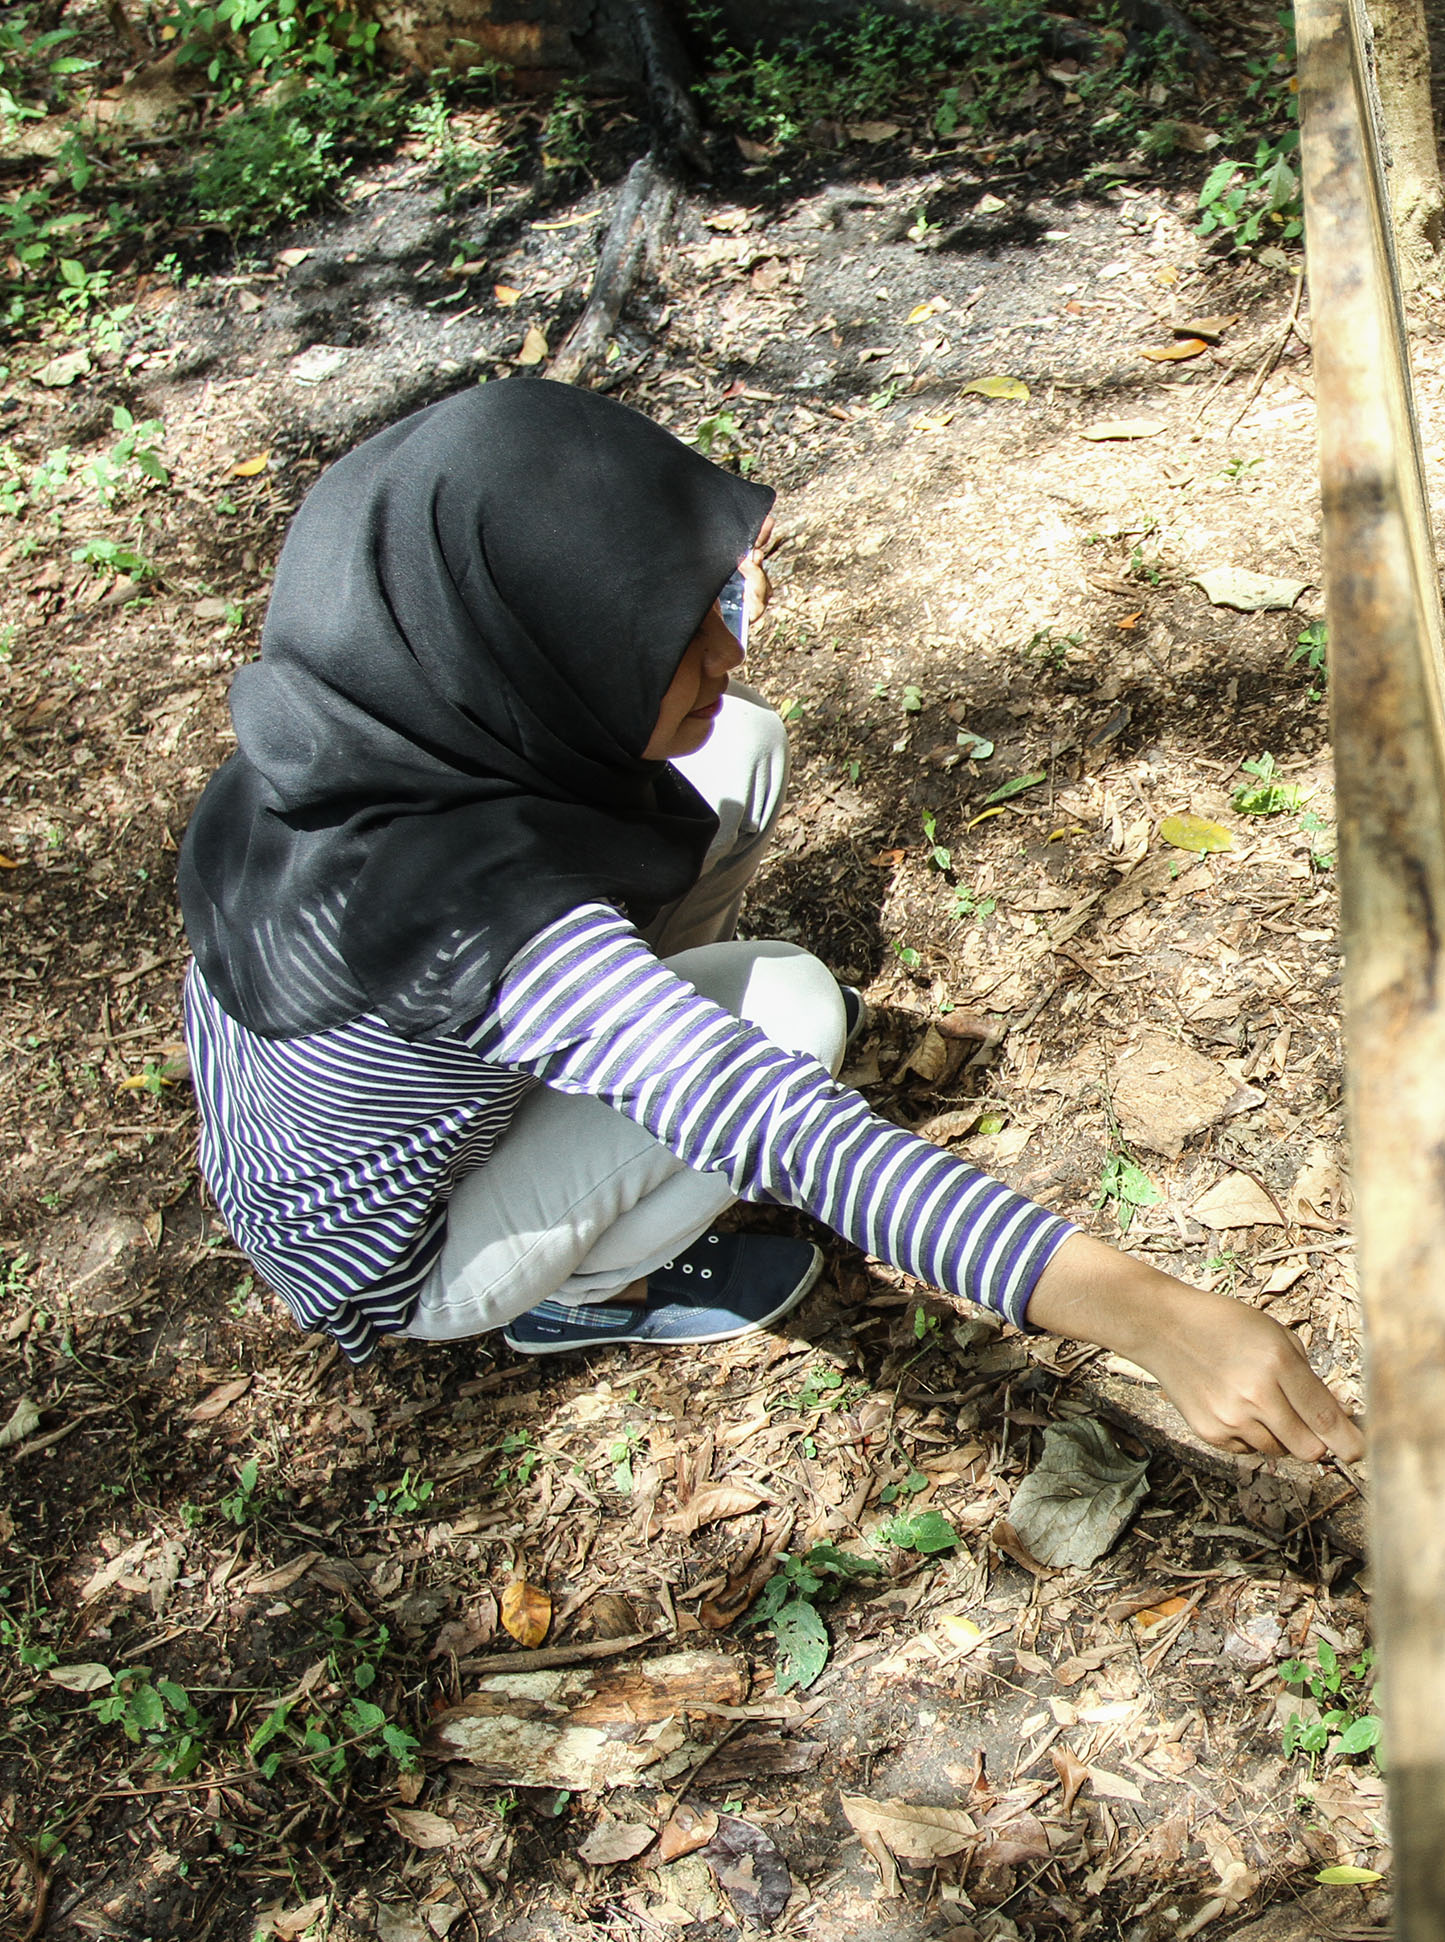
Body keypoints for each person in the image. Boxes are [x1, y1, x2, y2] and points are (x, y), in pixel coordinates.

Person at [175, 379, 1360, 1465]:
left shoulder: (367, 712)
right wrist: (1157, 1317)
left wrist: (684, 600)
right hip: (400, 1251)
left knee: (733, 742)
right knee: (787, 1011)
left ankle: (616, 1067)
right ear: (536, 651)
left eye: (702, 604)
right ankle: (571, 1294)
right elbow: (782, 1125)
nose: (726, 646)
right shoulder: (470, 908)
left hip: (326, 1126)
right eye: (661, 634)